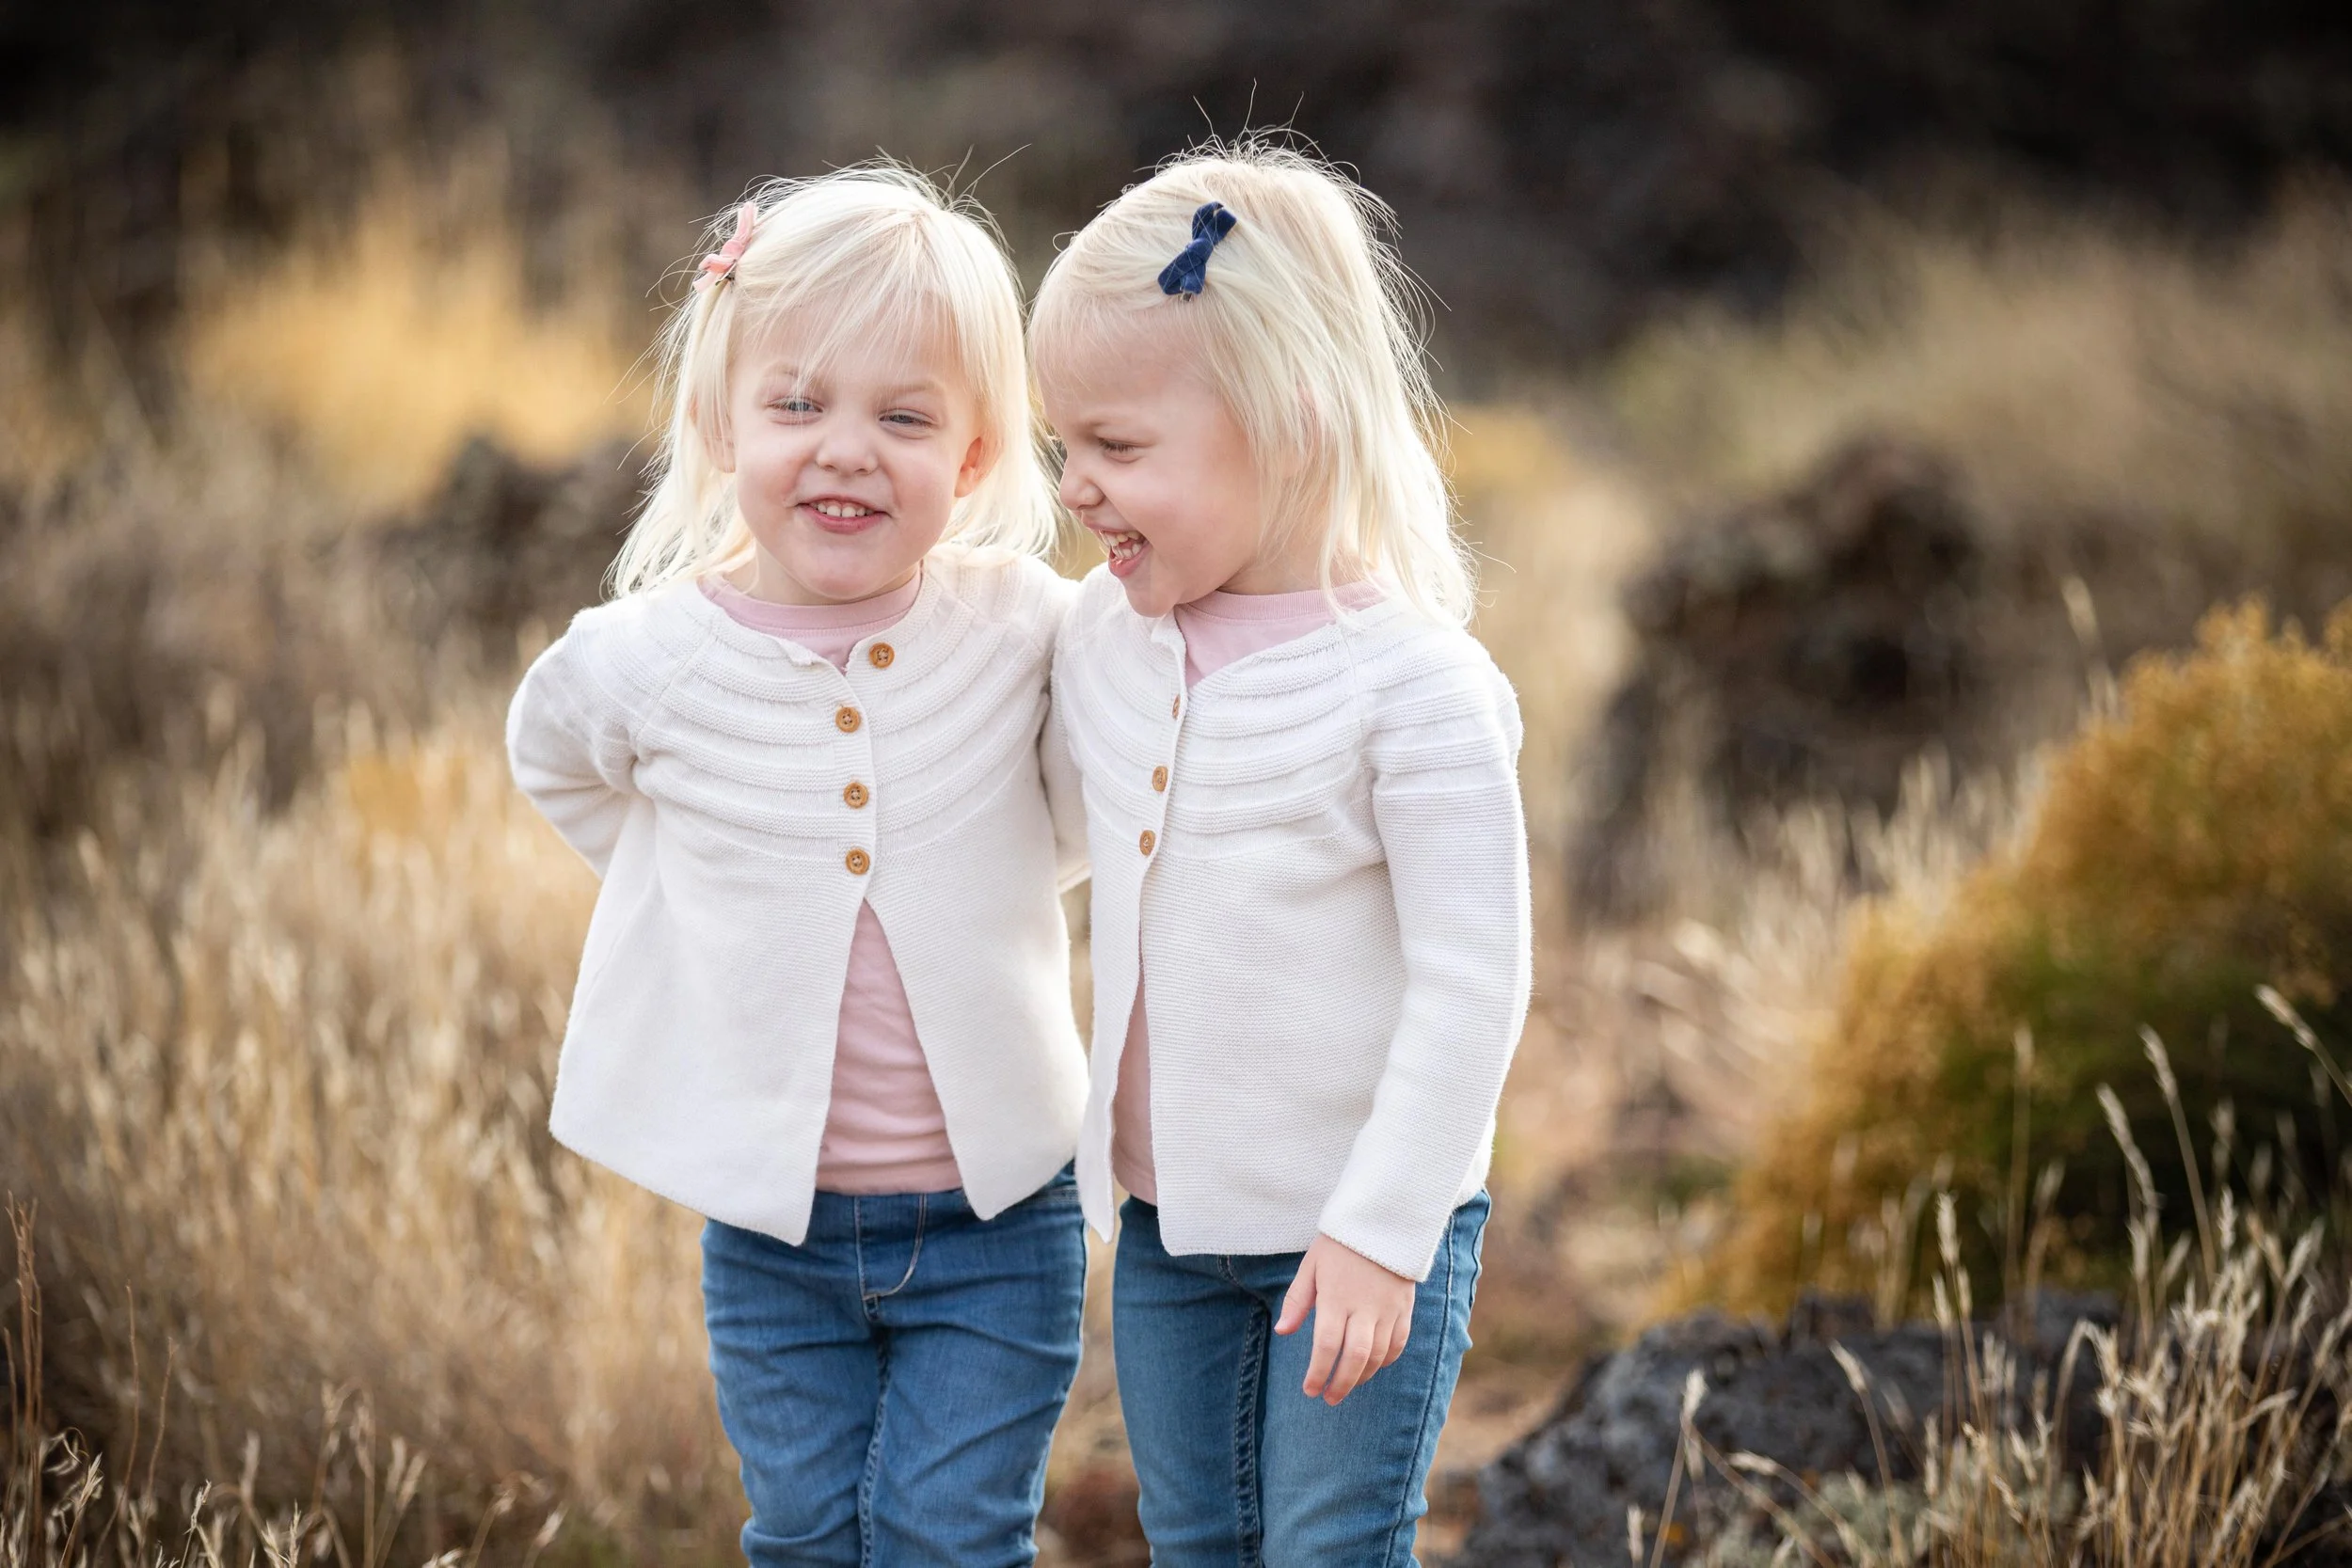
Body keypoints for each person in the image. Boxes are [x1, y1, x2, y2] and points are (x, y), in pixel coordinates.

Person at [506, 166, 1088, 1568]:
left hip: (999, 1219)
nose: (846, 450)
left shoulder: (1020, 624)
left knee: (946, 1534)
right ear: (719, 417)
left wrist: (1002, 864)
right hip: (774, 1231)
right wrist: (706, 880)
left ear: (970, 453)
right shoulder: (645, 658)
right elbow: (553, 754)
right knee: (810, 1536)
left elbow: (1103, 769)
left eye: (903, 416)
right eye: (798, 404)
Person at [1033, 139, 1533, 1565]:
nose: (1077, 486)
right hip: (1169, 1231)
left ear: (1294, 420)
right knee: (1199, 1544)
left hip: (1361, 1227)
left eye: (1119, 449)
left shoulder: (1416, 690)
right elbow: (1027, 833)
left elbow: (1472, 984)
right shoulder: (1103, 641)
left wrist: (1386, 1228)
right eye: (1067, 443)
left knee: (1327, 1547)